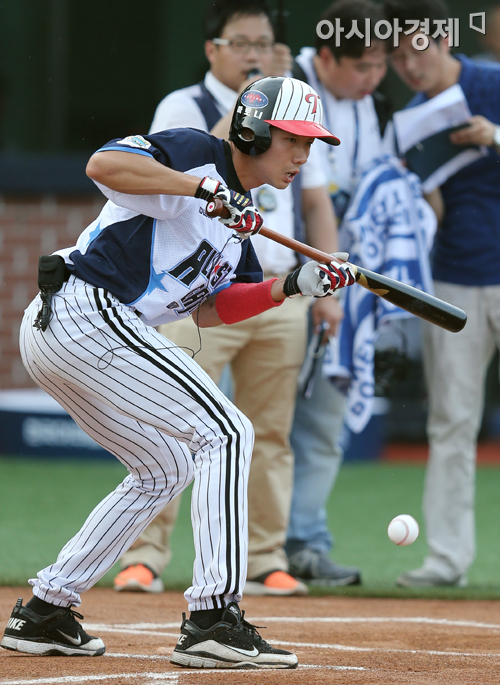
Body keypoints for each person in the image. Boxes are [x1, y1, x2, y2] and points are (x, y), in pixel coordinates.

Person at [0, 75, 356, 668]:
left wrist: (293, 284)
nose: (302, 155)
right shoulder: (199, 153)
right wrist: (197, 188)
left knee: (166, 467)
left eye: (309, 144)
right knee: (229, 432)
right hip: (88, 309)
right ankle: (214, 617)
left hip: (79, 331)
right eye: (293, 139)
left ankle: (46, 610)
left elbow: (216, 308)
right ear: (254, 131)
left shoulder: (239, 222)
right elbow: (102, 164)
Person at [114, 0, 351, 597]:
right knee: (169, 429)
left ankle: (263, 555)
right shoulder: (188, 108)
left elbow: (314, 201)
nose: (254, 53)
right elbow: (191, 170)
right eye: (241, 42)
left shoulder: (294, 120)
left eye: (264, 43)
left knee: (268, 432)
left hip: (269, 286)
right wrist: (251, 105)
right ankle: (146, 555)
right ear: (213, 49)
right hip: (190, 292)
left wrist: (319, 280)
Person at [384, 0, 500, 587]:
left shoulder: (493, 83)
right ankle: (447, 560)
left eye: (417, 49)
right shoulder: (406, 122)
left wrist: (495, 136)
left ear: (445, 40)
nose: (409, 64)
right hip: (453, 278)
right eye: (397, 56)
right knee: (452, 421)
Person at [284, 0, 393, 585]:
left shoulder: (376, 102)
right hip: (282, 277)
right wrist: (323, 283)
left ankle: (305, 541)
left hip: (345, 282)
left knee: (325, 418)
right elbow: (310, 198)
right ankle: (253, 547)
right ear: (326, 56)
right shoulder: (288, 88)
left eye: (381, 65)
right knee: (258, 421)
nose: (373, 77)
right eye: (363, 66)